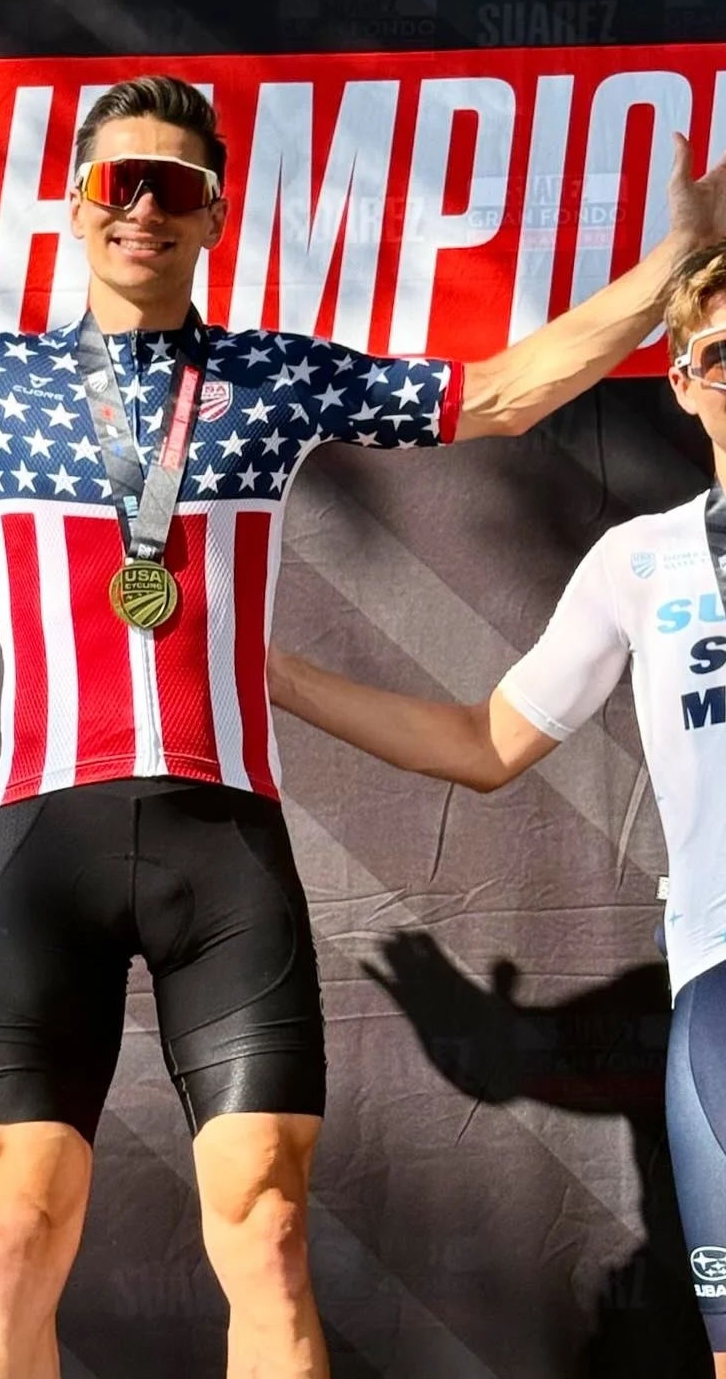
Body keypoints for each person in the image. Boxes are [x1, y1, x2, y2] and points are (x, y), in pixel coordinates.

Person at [0, 77, 723, 1379]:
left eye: (177, 187)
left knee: (266, 1231)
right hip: (50, 850)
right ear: (77, 207)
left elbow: (498, 393)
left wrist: (677, 262)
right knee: (20, 1236)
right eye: (119, 183)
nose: (144, 207)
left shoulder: (269, 381)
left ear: (215, 216)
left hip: (227, 858)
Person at [268, 240, 726, 1377]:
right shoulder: (641, 561)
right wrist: (261, 666)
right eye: (723, 353)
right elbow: (486, 743)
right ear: (680, 379)